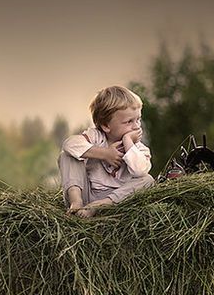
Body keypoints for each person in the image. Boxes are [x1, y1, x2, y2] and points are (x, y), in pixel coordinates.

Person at [59, 85, 156, 218]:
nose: (136, 126)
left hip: (117, 199)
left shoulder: (138, 148)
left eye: (138, 119)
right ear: (106, 125)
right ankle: (76, 202)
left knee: (147, 180)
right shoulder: (95, 137)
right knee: (67, 156)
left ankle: (101, 205)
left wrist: (128, 141)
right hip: (88, 195)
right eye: (129, 121)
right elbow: (68, 144)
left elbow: (139, 171)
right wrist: (105, 154)